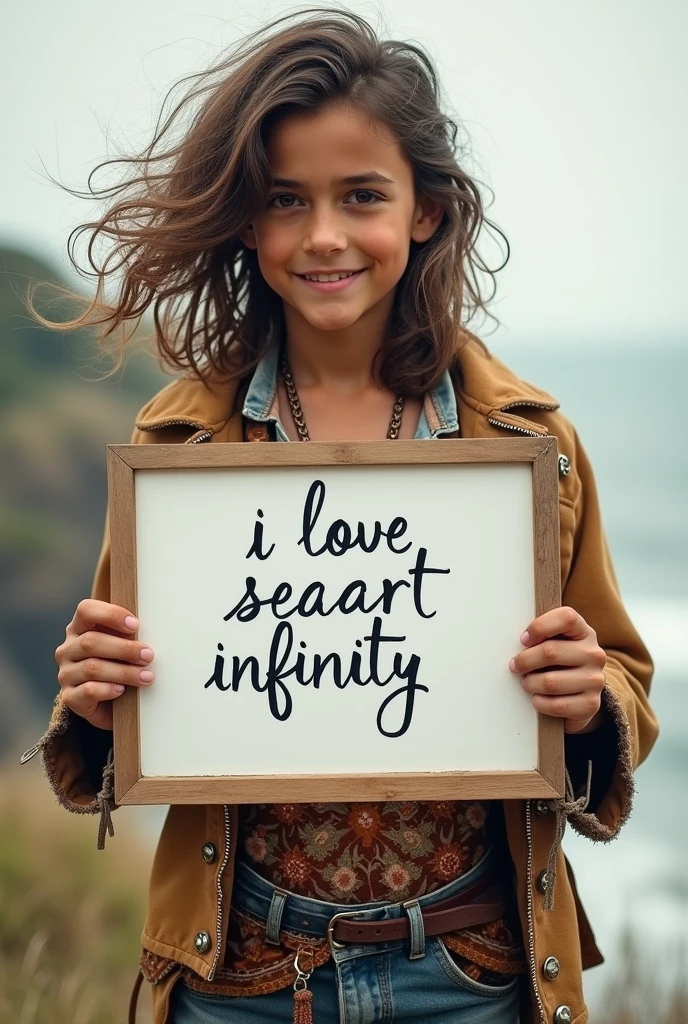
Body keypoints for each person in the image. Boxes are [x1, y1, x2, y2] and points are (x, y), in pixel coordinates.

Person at [24, 9, 658, 1024]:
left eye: (361, 195)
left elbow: (620, 682)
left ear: (425, 211)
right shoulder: (181, 446)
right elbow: (125, 709)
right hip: (239, 975)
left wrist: (588, 703)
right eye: (285, 200)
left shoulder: (529, 442)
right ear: (244, 220)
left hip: (473, 970)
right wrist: (96, 703)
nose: (323, 235)